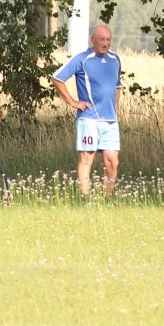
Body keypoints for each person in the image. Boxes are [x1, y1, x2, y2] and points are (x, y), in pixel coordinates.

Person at [51, 25, 122, 197]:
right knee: (87, 158)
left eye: (108, 40)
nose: (105, 43)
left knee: (112, 162)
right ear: (93, 40)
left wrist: (116, 108)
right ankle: (86, 199)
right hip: (89, 119)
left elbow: (117, 86)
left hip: (110, 121)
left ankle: (107, 199)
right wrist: (72, 102)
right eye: (102, 40)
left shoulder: (115, 59)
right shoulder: (82, 59)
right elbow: (57, 78)